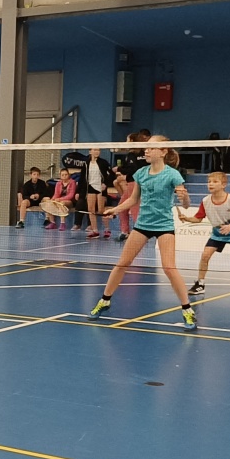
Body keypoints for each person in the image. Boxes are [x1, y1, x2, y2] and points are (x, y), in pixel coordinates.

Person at [90, 136, 197, 331]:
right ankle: (105, 300)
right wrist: (115, 210)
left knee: (169, 267)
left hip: (164, 226)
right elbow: (133, 199)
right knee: (122, 263)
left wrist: (185, 198)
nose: (146, 150)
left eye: (151, 148)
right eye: (146, 147)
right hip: (142, 224)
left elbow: (187, 205)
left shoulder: (173, 175)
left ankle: (187, 309)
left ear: (163, 152)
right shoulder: (140, 173)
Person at [78, 147, 114, 237]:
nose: (97, 152)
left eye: (98, 150)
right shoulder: (86, 163)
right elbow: (82, 178)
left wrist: (105, 184)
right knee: (91, 209)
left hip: (101, 187)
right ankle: (95, 230)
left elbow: (112, 174)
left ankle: (107, 229)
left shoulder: (103, 162)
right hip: (90, 187)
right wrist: (79, 192)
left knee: (101, 210)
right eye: (95, 150)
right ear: (90, 151)